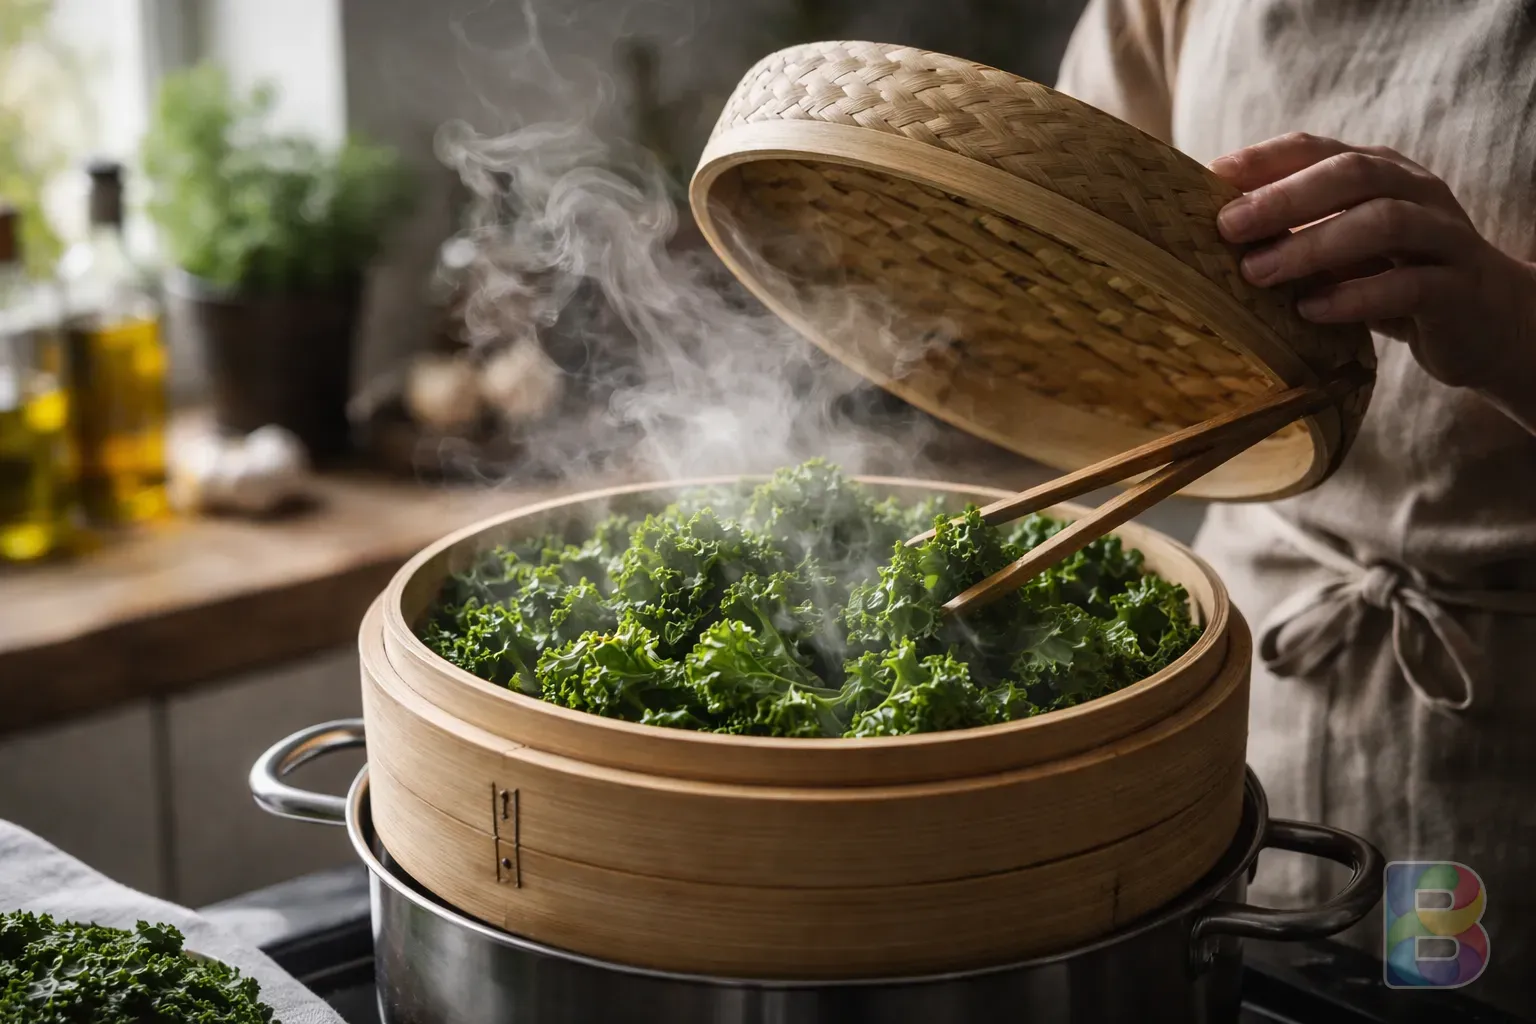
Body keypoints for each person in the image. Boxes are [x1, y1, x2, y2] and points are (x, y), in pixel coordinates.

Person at [1055, 0, 1536, 1015]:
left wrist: (1506, 321)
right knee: (1251, 981)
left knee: (1445, 988)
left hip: (1502, 733)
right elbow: (1067, 242)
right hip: (1255, 678)